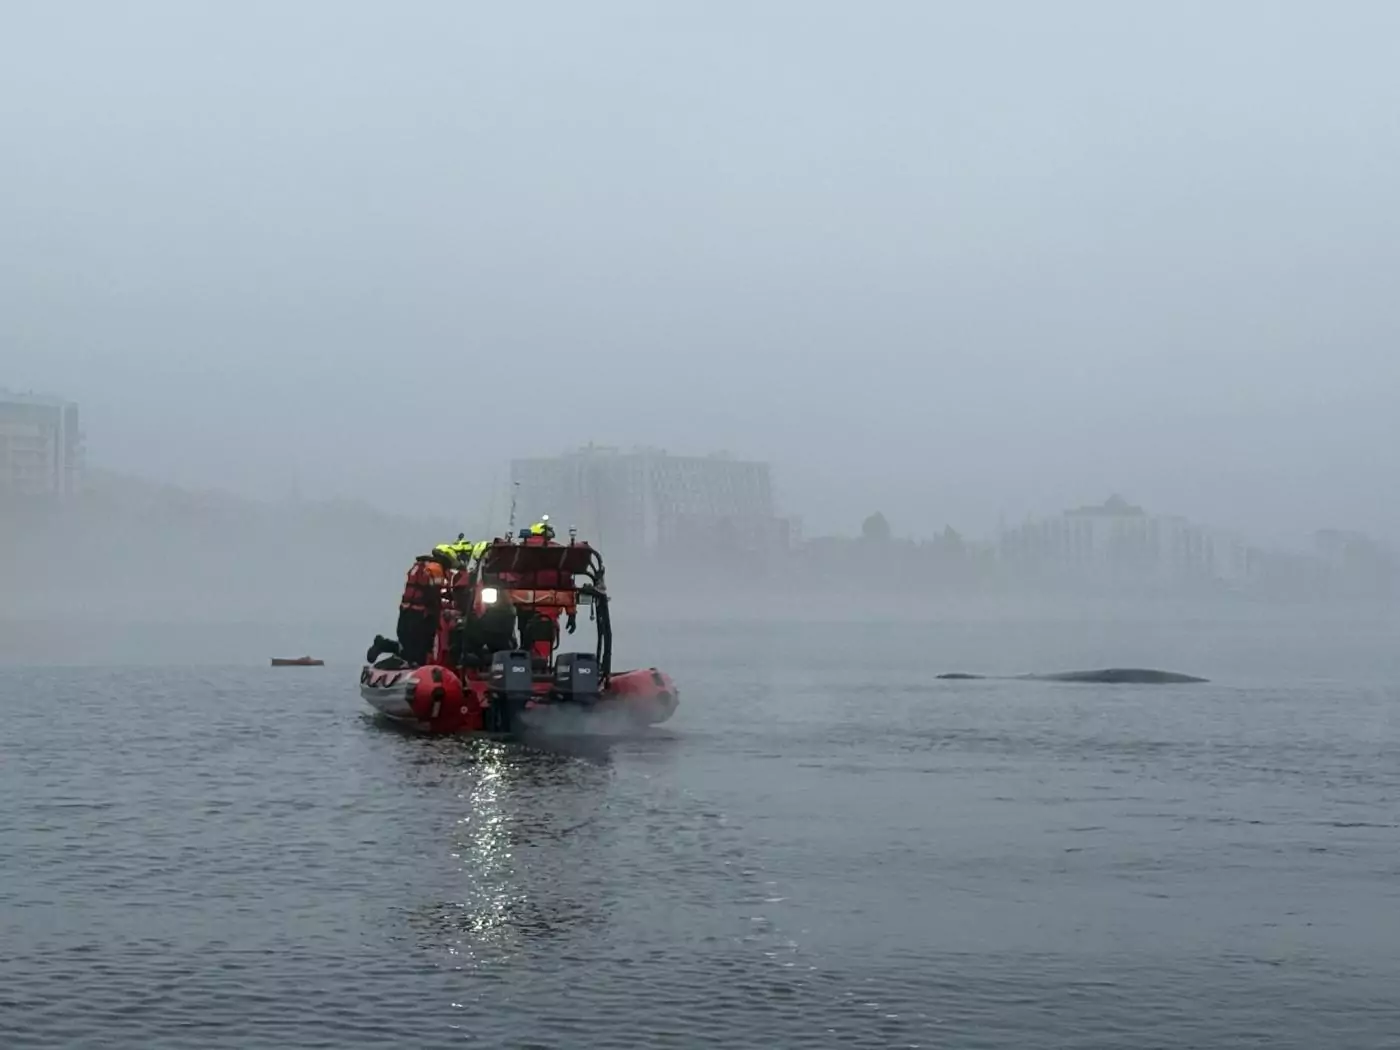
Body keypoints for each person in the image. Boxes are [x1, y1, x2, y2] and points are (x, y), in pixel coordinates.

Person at [397, 554, 446, 665]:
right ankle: (419, 665)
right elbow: (435, 592)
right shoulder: (435, 568)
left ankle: (408, 661)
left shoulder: (416, 567)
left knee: (406, 639)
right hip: (420, 612)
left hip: (405, 609)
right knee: (421, 643)